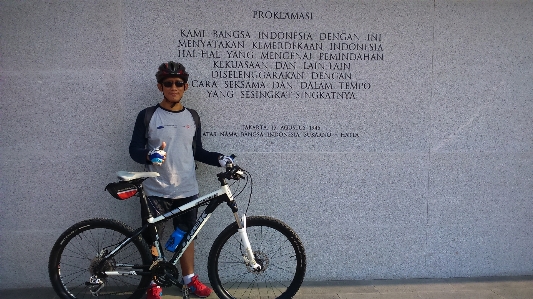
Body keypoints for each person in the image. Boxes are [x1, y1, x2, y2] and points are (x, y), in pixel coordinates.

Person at [129, 61, 232, 298]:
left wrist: (220, 159)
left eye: (178, 83)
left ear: (185, 86)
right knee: (153, 238)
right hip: (155, 189)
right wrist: (148, 154)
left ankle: (189, 279)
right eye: (168, 83)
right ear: (160, 86)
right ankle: (154, 283)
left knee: (187, 236)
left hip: (186, 188)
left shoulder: (192, 117)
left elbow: (197, 151)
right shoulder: (147, 116)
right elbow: (134, 149)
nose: (173, 87)